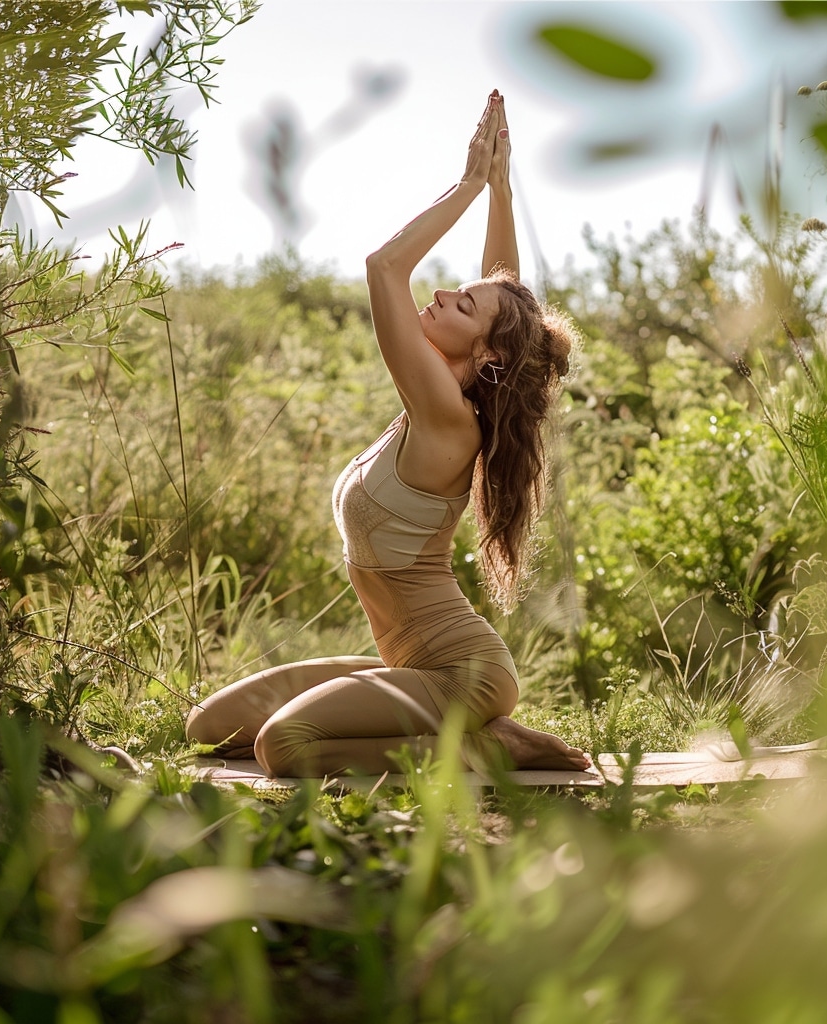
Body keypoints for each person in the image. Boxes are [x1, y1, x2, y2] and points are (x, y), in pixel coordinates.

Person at [186, 91, 591, 777]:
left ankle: (488, 745)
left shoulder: (446, 418)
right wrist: (499, 189)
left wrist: (464, 184)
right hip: (416, 663)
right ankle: (453, 734)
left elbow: (384, 267)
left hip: (463, 670)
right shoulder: (448, 396)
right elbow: (507, 300)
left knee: (283, 746)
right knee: (208, 729)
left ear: (487, 356)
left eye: (460, 304)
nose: (438, 295)